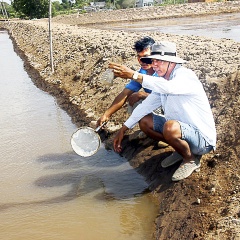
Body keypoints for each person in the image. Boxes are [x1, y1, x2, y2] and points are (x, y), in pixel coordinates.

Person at [108, 41, 217, 181]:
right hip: (183, 131)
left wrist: (134, 75)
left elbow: (169, 88)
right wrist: (123, 128)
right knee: (145, 122)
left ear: (171, 63)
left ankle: (190, 159)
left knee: (170, 127)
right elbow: (145, 106)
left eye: (159, 61)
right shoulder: (164, 80)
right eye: (153, 61)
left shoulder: (185, 76)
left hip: (202, 141)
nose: (154, 65)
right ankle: (181, 150)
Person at [96, 36, 155, 128]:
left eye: (146, 57)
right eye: (139, 57)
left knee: (138, 97)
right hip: (157, 106)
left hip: (171, 110)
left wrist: (142, 95)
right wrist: (107, 114)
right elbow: (125, 93)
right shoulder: (142, 72)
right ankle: (152, 127)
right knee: (134, 102)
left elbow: (166, 98)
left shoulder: (163, 72)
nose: (142, 61)